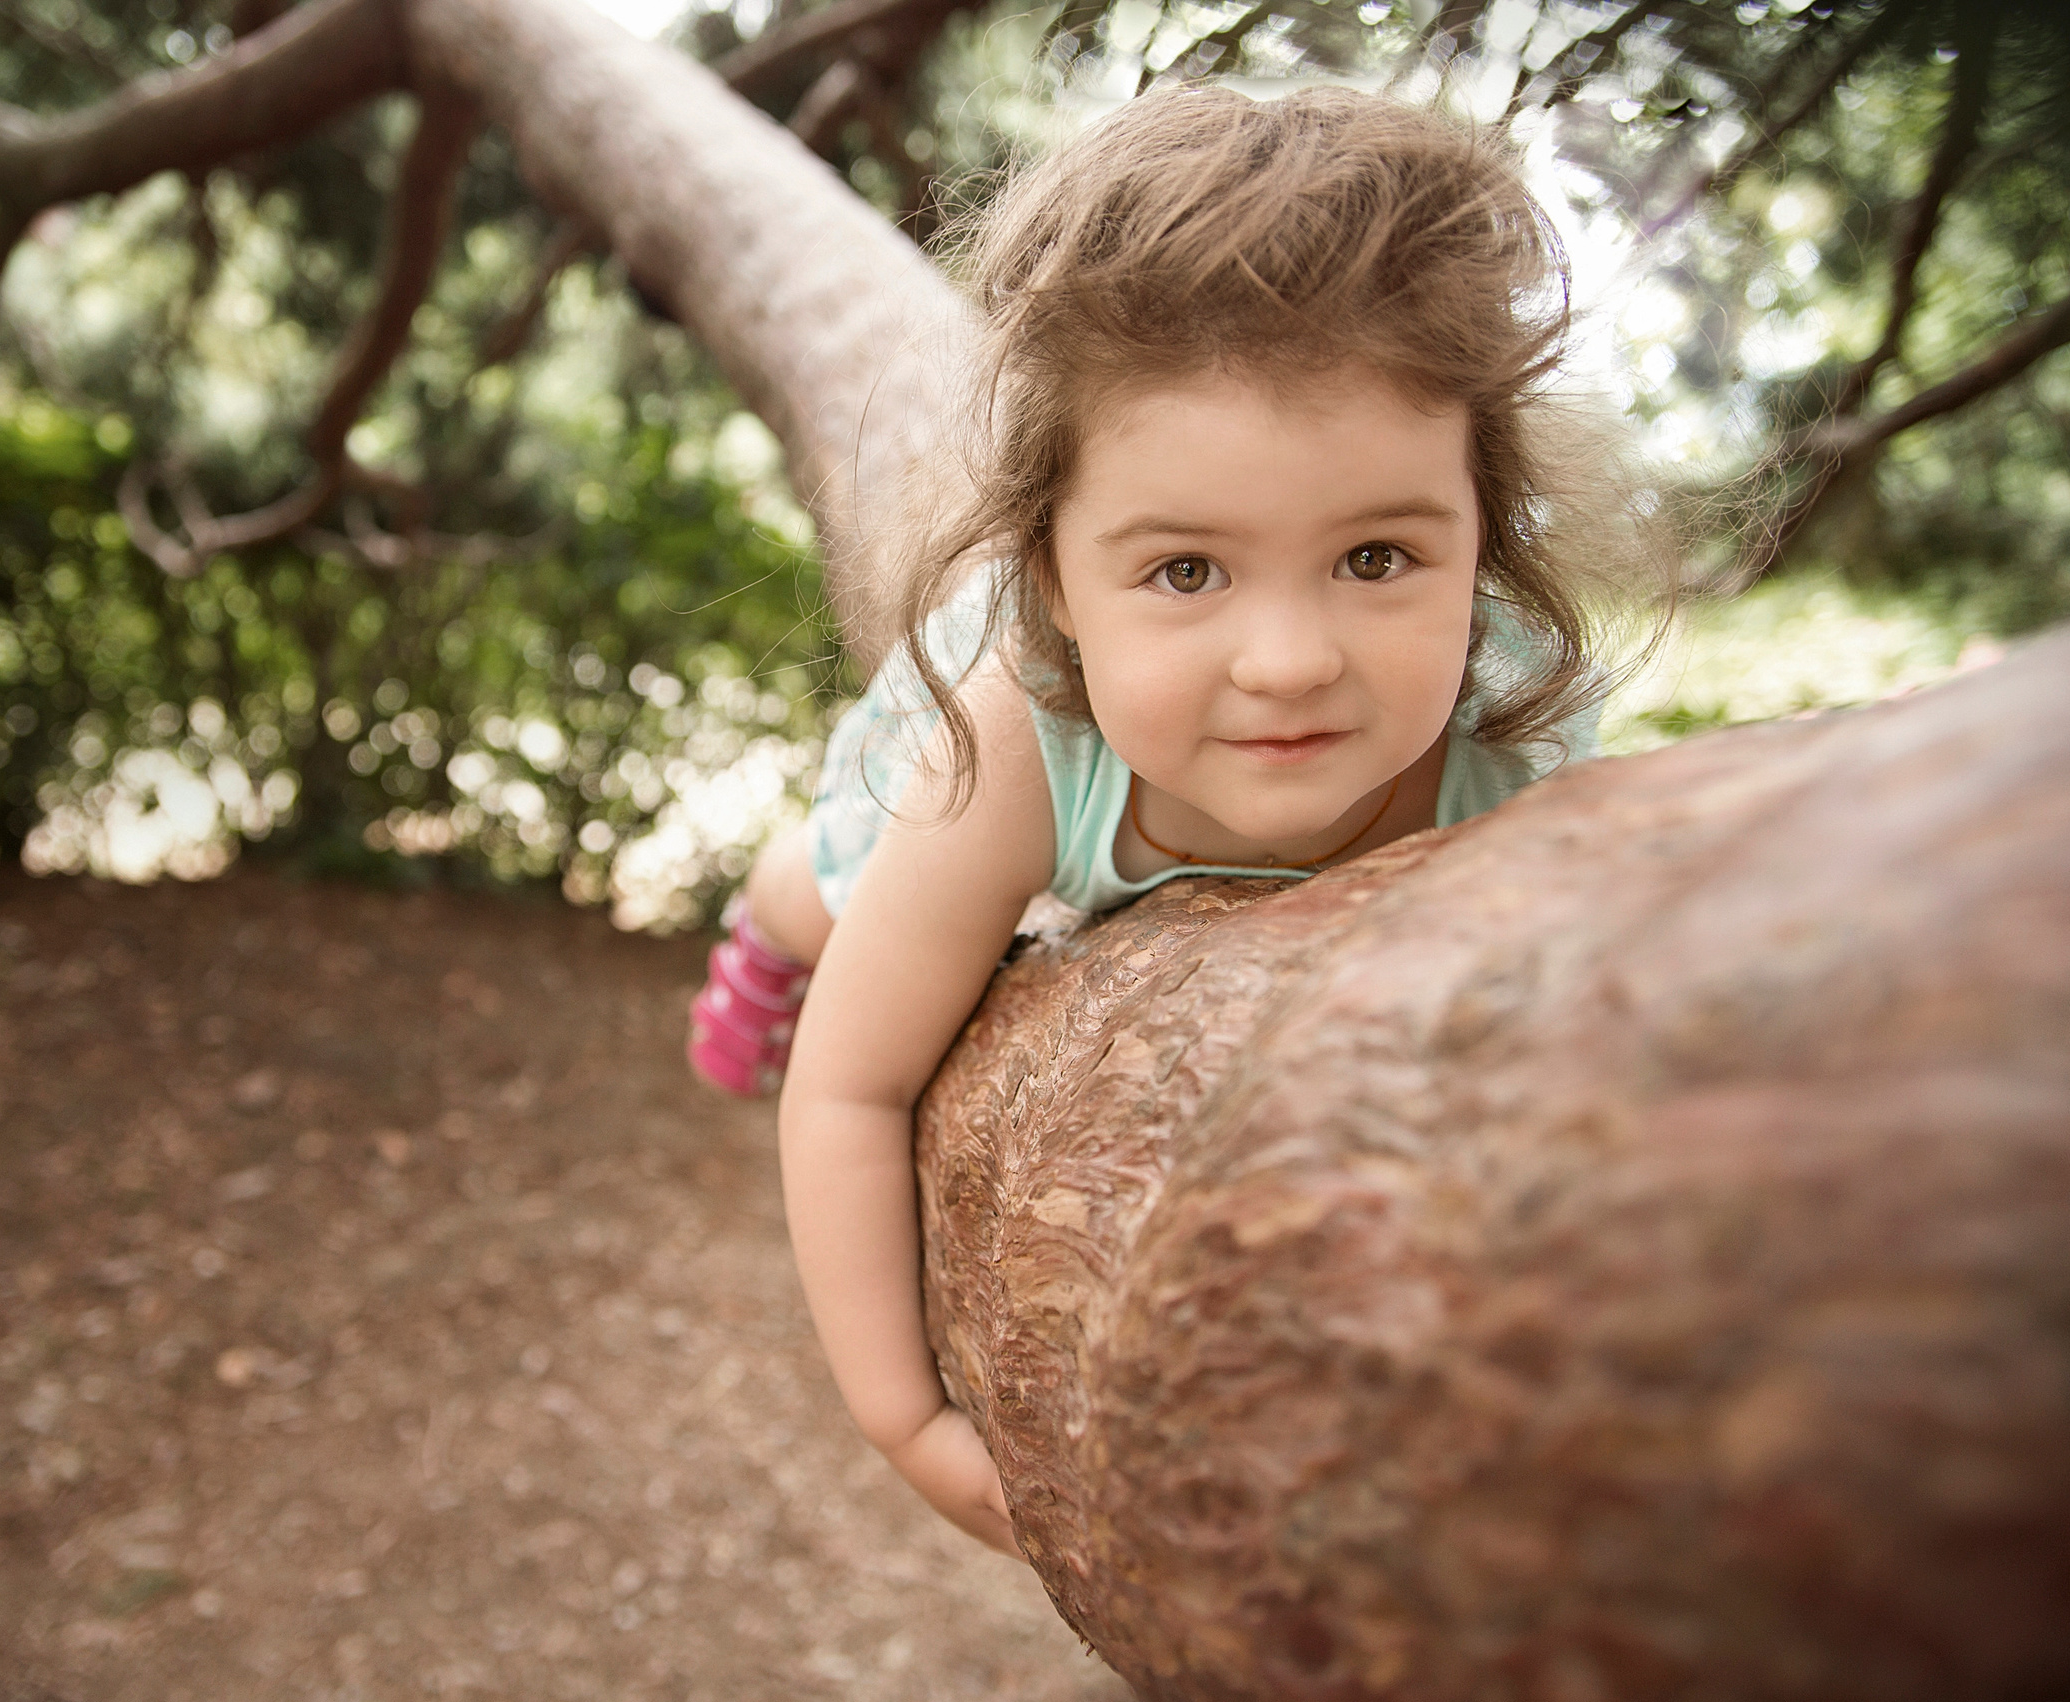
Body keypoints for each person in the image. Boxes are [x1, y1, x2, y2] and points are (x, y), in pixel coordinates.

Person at [688, 85, 1658, 1554]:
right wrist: (900, 1414)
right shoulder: (1014, 736)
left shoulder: (1513, 741)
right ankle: (762, 924)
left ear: (1487, 545)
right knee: (838, 893)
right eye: (1188, 572)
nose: (1289, 659)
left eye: (1378, 556)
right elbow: (854, 1087)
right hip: (959, 775)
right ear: (1060, 582)